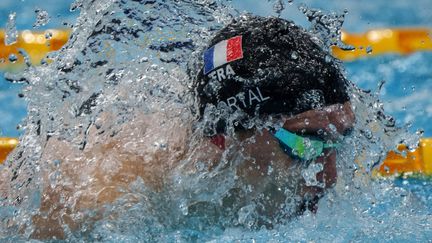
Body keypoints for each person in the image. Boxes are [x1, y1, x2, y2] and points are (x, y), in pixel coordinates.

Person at [2, 15, 355, 238]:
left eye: (340, 142)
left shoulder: (307, 176)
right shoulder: (93, 205)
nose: (330, 177)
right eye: (306, 144)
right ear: (224, 138)